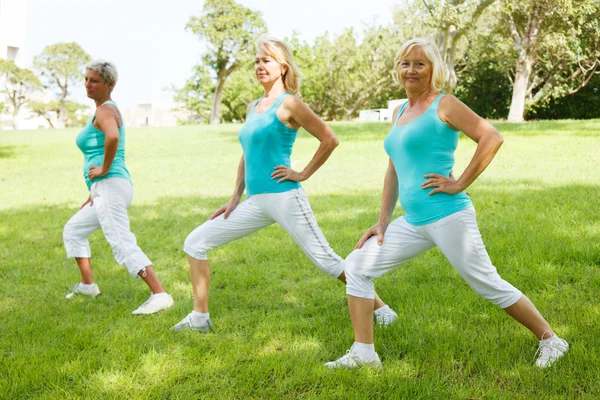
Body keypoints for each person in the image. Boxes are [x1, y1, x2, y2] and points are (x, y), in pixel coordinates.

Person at [325, 38, 568, 369]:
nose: (411, 69)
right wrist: (382, 220)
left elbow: (491, 137)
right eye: (405, 63)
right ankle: (364, 354)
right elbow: (394, 167)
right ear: (398, 69)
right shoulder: (398, 111)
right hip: (414, 221)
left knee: (487, 284)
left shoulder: (445, 104)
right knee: (355, 266)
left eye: (420, 63)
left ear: (434, 69)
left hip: (448, 216)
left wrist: (460, 182)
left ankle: (552, 340)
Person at [173, 35, 397, 332]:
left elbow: (330, 139)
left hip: (285, 198)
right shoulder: (253, 106)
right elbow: (247, 154)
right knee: (196, 242)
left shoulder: (289, 103)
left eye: (266, 60)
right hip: (254, 202)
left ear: (283, 67)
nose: (259, 66)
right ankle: (200, 319)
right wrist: (234, 197)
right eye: (256, 61)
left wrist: (302, 173)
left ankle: (381, 310)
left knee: (327, 262)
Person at [62, 60, 174, 314]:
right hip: (105, 187)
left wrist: (103, 170)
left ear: (110, 84)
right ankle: (88, 285)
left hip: (111, 184)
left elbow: (112, 137)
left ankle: (160, 294)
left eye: (95, 81)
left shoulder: (104, 111)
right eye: (87, 79)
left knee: (121, 241)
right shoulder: (104, 110)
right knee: (74, 230)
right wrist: (94, 190)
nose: (88, 85)